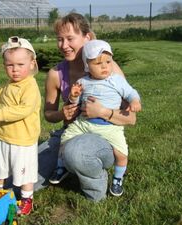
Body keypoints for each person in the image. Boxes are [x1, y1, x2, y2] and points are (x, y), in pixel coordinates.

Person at [34, 13, 137, 201]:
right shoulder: (56, 74)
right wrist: (61, 113)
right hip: (72, 131)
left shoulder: (108, 68)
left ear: (87, 37)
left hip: (104, 136)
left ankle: (96, 188)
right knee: (23, 177)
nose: (64, 46)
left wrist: (103, 112)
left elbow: (131, 118)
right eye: (59, 39)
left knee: (76, 153)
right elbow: (48, 114)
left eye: (70, 39)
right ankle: (65, 167)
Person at [49, 39, 142, 197]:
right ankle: (61, 167)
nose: (105, 66)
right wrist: (73, 96)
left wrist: (135, 101)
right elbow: (75, 103)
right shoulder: (82, 82)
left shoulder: (116, 81)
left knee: (121, 153)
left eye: (108, 61)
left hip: (109, 126)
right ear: (87, 66)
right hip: (84, 123)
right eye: (98, 63)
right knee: (65, 139)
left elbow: (131, 92)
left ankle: (117, 179)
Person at [0, 36, 41, 215]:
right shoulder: (11, 84)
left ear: (31, 63)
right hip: (3, 136)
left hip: (22, 141)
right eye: (10, 65)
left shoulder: (29, 87)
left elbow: (23, 110)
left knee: (24, 174)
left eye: (20, 65)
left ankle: (27, 200)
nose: (15, 70)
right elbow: (1, 98)